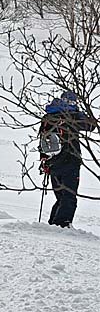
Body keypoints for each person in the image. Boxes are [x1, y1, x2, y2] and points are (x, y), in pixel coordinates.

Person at [39, 91, 96, 228]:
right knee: (69, 196)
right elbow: (91, 125)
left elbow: (42, 141)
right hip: (70, 161)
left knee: (61, 197)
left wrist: (44, 161)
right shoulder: (73, 116)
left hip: (52, 163)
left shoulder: (48, 117)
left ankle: (53, 225)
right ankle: (62, 225)